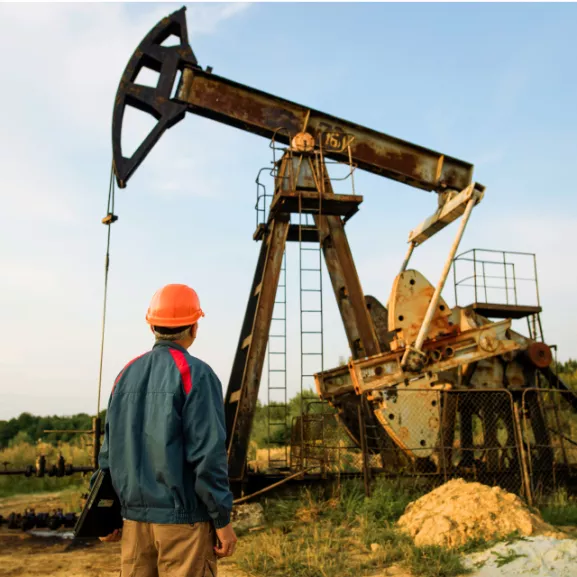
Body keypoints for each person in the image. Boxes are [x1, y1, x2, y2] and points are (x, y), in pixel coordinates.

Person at [95, 283, 237, 576]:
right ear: (194, 327)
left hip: (134, 525)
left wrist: (105, 514)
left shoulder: (125, 375)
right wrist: (222, 521)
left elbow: (108, 454)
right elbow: (208, 455)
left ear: (152, 327)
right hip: (183, 525)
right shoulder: (196, 374)